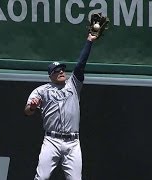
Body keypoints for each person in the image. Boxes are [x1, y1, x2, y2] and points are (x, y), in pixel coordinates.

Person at [24, 33, 97, 180]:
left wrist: (89, 41)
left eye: (62, 69)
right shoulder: (42, 90)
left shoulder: (73, 85)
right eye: (57, 71)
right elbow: (27, 112)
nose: (61, 72)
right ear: (51, 75)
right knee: (42, 177)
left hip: (73, 142)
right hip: (52, 140)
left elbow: (80, 65)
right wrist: (32, 107)